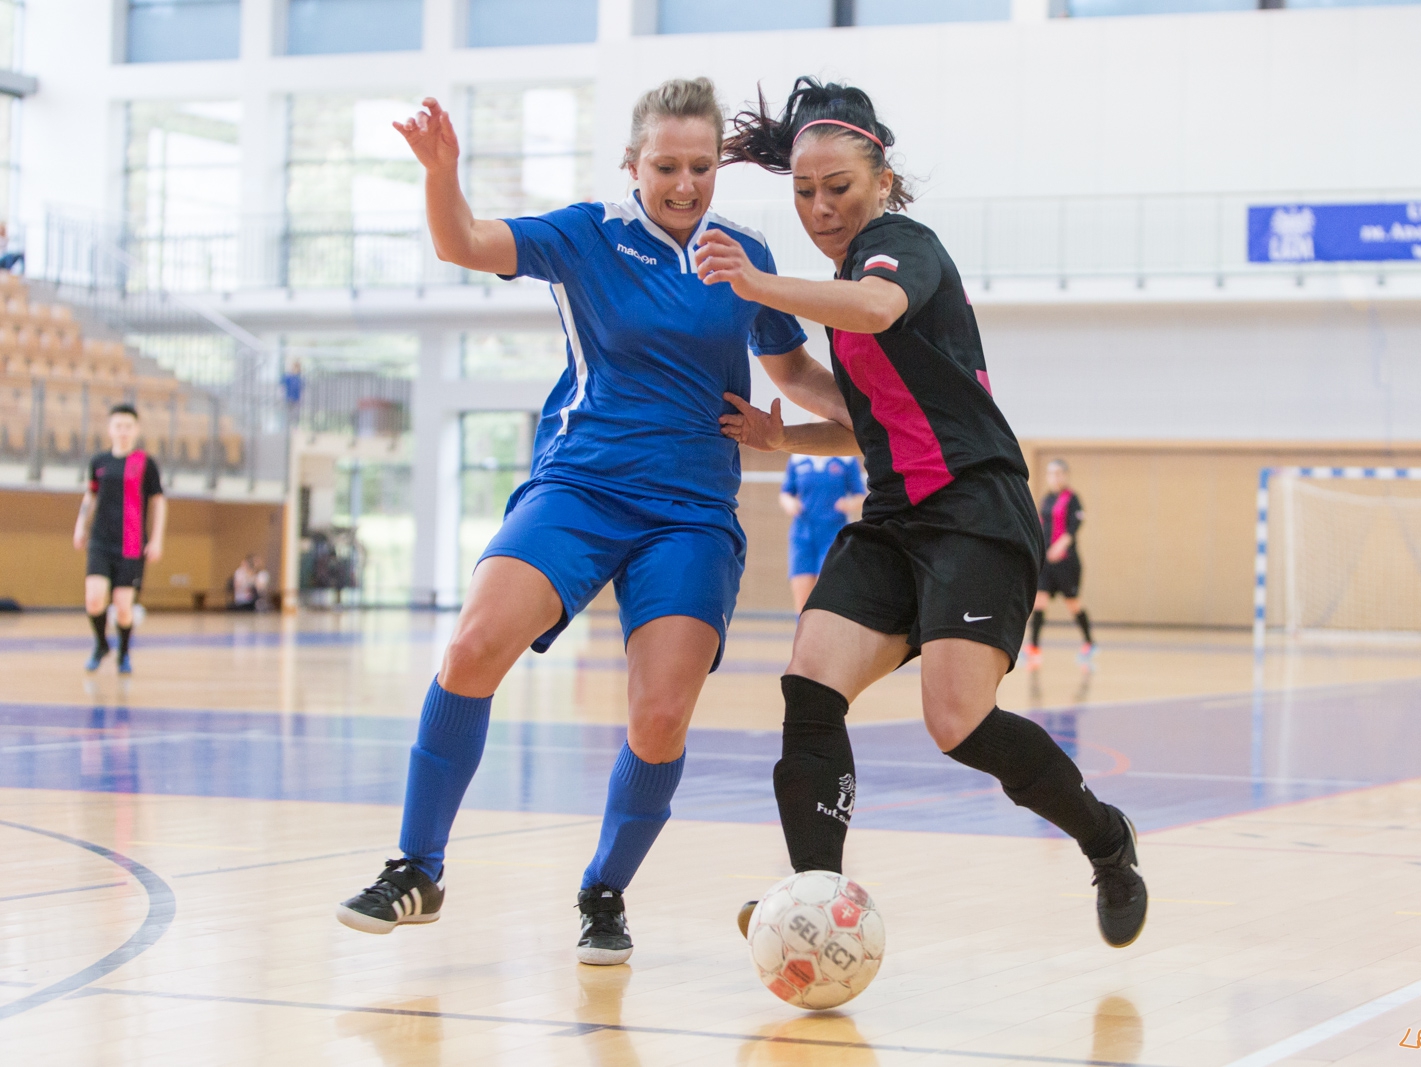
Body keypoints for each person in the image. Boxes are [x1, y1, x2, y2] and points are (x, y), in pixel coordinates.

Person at [332, 80, 849, 966]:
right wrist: (442, 174)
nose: (683, 184)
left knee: (660, 717)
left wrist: (874, 416)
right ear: (633, 163)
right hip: (579, 486)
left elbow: (800, 377)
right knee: (471, 648)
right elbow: (462, 240)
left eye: (699, 167)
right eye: (665, 166)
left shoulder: (746, 257)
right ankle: (417, 866)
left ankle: (604, 889)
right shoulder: (587, 235)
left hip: (689, 514)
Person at [705, 77, 1147, 950]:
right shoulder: (835, 279)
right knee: (810, 682)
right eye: (802, 190)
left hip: (975, 511)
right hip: (894, 518)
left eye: (838, 187)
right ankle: (816, 898)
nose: (820, 206)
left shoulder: (900, 248)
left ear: (881, 180)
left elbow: (876, 309)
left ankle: (1106, 839)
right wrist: (777, 432)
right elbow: (866, 414)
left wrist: (759, 282)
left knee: (957, 722)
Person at [73, 404, 165, 674]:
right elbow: (90, 495)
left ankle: (124, 653)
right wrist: (80, 526)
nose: (123, 431)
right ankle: (102, 644)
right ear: (110, 429)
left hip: (131, 544)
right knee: (94, 599)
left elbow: (159, 502)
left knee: (124, 609)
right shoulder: (99, 462)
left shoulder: (145, 463)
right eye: (118, 426)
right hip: (101, 541)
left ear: (136, 430)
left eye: (128, 426)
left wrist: (157, 539)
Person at [1024, 459, 1094, 669]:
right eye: (1051, 473)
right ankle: (1034, 647)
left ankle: (1089, 643)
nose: (1054, 477)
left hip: (1066, 562)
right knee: (1039, 601)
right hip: (1047, 563)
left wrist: (1059, 547)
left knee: (1072, 603)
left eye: (1058, 473)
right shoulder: (1046, 499)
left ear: (1065, 475)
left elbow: (1073, 528)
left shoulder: (1072, 499)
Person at [780, 453, 866, 613]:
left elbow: (860, 496)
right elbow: (785, 493)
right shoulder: (797, 458)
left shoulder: (845, 459)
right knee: (803, 602)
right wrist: (790, 503)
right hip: (802, 536)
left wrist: (848, 504)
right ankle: (804, 635)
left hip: (832, 536)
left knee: (827, 597)